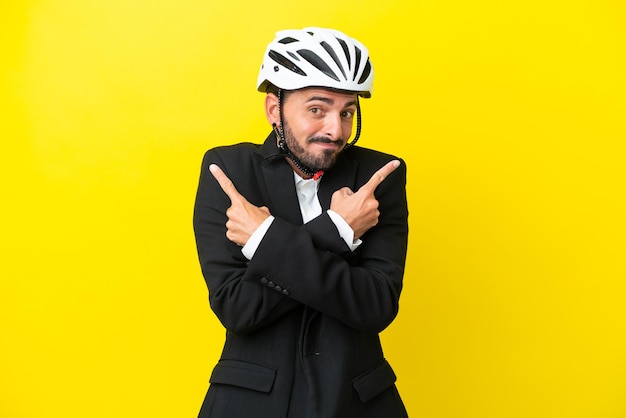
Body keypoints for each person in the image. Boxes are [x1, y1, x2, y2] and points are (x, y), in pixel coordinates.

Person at [193, 27, 409, 418]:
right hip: (251, 403)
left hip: (357, 402)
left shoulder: (380, 175)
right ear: (274, 109)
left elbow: (376, 305)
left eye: (347, 112)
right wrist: (338, 231)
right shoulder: (229, 171)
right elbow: (239, 308)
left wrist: (265, 240)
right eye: (317, 109)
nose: (335, 129)